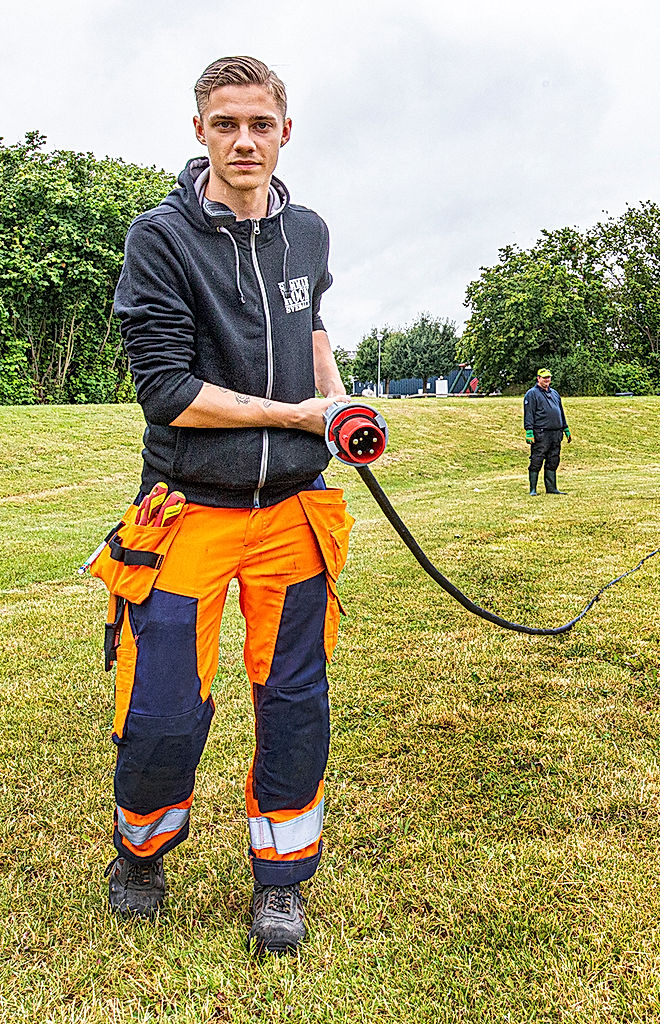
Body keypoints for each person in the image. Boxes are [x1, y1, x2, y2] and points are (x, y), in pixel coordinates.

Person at [90, 55, 351, 955]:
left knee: (294, 701)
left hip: (293, 513)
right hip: (186, 511)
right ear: (198, 130)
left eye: (262, 125)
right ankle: (142, 851)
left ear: (286, 132)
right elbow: (168, 390)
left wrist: (339, 402)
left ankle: (281, 881)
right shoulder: (158, 238)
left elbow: (314, 326)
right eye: (226, 124)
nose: (245, 141)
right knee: (162, 706)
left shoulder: (307, 232)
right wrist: (292, 413)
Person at [523, 368, 571, 495]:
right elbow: (529, 414)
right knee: (537, 459)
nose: (547, 380)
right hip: (541, 433)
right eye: (544, 378)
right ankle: (533, 489)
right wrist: (529, 431)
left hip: (556, 433)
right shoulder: (531, 394)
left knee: (553, 459)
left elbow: (560, 411)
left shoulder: (555, 393)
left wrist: (565, 428)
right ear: (538, 378)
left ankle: (551, 488)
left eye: (548, 377)